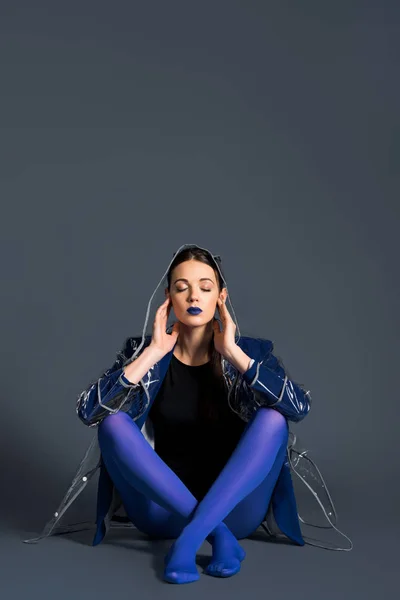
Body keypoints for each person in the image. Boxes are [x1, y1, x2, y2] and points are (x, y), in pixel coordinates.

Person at [23, 243, 352, 582]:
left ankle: (191, 540)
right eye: (182, 288)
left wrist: (234, 354)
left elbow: (298, 407)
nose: (194, 296)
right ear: (169, 298)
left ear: (220, 297)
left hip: (235, 510)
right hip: (160, 511)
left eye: (205, 287)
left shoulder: (252, 352)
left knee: (273, 420)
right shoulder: (142, 352)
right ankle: (217, 537)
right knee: (113, 426)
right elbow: (89, 412)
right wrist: (152, 352)